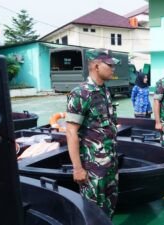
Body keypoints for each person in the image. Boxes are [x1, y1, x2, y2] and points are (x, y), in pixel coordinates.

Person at [65, 49, 119, 218]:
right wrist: (78, 168)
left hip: (109, 163)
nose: (113, 69)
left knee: (109, 208)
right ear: (96, 65)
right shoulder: (80, 93)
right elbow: (71, 132)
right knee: (92, 212)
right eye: (109, 65)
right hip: (92, 167)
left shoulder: (105, 91)